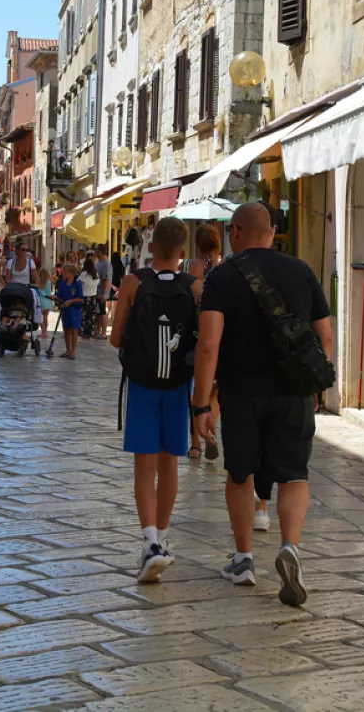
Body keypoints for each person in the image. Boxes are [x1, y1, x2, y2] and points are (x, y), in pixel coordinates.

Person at [192, 203, 333, 604]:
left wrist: (202, 404)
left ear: (234, 232)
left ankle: (243, 559)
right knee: (293, 474)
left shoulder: (221, 277)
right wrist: (315, 385)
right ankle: (289, 546)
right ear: (272, 231)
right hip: (294, 393)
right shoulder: (302, 271)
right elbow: (324, 337)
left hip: (241, 394)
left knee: (240, 475)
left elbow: (208, 346)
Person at [109, 217, 200, 582]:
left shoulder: (133, 283)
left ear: (150, 246)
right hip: (178, 386)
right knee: (170, 465)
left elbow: (116, 338)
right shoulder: (195, 287)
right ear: (182, 251)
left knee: (144, 468)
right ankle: (162, 538)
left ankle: (149, 543)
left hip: (144, 384)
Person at [186, 224, 224, 462]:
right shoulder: (224, 268)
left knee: (196, 390)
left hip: (193, 335)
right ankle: (212, 432)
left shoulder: (190, 267)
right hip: (217, 336)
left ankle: (196, 444)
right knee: (214, 392)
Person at [54, 263, 84, 359]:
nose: (62, 273)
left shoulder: (77, 284)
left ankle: (73, 351)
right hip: (65, 310)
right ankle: (67, 350)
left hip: (74, 310)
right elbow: (59, 295)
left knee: (74, 330)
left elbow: (81, 299)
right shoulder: (62, 284)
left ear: (71, 273)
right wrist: (55, 297)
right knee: (66, 329)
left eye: (64, 272)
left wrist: (71, 301)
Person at [79, 254, 100, 338]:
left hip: (84, 297)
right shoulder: (96, 275)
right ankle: (91, 332)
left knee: (83, 316)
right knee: (91, 316)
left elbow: (78, 283)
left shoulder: (84, 275)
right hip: (93, 297)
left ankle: (83, 332)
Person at [94, 244, 113, 340]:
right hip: (97, 292)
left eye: (96, 250)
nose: (95, 252)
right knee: (98, 313)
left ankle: (103, 333)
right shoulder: (99, 263)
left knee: (102, 313)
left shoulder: (105, 264)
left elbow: (106, 280)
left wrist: (104, 293)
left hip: (101, 293)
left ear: (100, 251)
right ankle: (98, 331)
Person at [36, 268, 54, 338]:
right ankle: (45, 332)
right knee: (45, 318)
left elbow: (40, 292)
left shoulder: (40, 283)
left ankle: (43, 331)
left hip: (42, 301)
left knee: (40, 318)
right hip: (48, 301)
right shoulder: (49, 282)